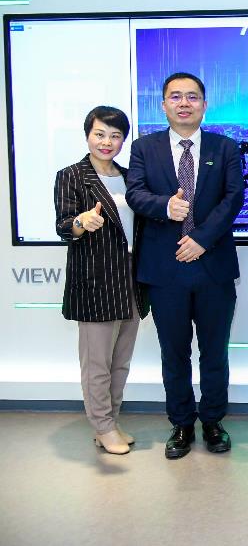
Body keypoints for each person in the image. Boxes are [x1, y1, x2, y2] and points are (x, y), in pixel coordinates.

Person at [126, 72, 243, 460]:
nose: (184, 103)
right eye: (175, 97)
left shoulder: (225, 147)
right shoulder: (145, 148)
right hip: (165, 270)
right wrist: (165, 206)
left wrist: (201, 239)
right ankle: (181, 423)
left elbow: (233, 198)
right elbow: (135, 193)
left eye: (192, 97)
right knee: (173, 353)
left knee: (214, 352)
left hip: (213, 265)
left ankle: (212, 421)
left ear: (204, 105)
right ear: (163, 105)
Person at [54, 106, 150, 455]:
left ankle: (111, 421)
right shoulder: (71, 175)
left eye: (115, 136)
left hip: (130, 280)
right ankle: (102, 426)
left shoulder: (130, 177)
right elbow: (64, 225)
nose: (107, 142)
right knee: (97, 364)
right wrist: (81, 222)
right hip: (96, 280)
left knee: (120, 362)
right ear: (87, 136)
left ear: (123, 140)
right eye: (100, 134)